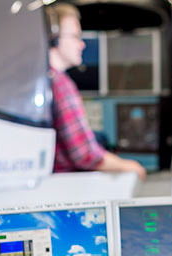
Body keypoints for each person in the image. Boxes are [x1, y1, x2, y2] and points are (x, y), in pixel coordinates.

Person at [45, 3, 146, 179]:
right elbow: (85, 154)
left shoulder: (42, 79)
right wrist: (129, 166)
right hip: (66, 187)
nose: (82, 44)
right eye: (75, 36)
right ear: (54, 37)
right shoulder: (60, 85)